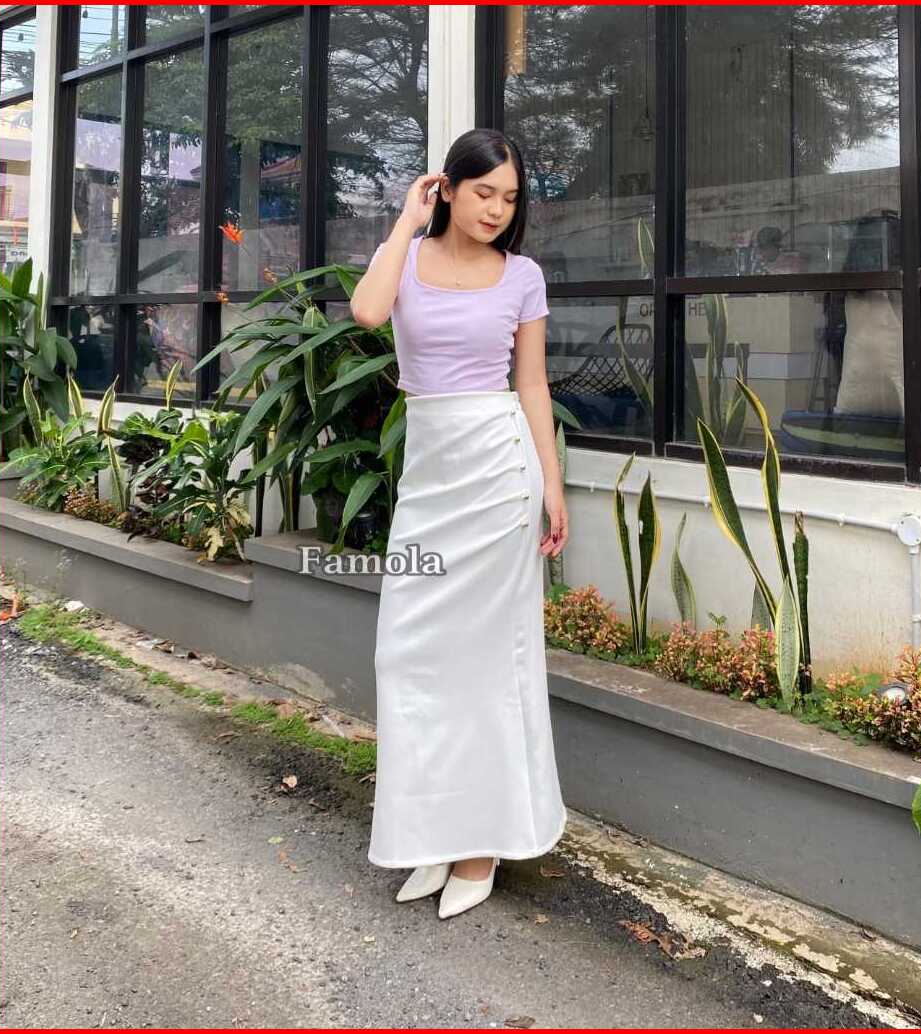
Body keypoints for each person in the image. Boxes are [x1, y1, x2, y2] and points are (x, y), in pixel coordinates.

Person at [349, 129, 569, 920]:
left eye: (509, 198)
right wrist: (405, 222)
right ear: (448, 187)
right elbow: (368, 312)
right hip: (432, 475)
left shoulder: (523, 276)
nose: (497, 210)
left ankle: (480, 847)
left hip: (499, 475)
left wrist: (552, 487)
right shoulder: (405, 258)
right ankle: (432, 835)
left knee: (485, 664)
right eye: (483, 192)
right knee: (407, 656)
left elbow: (532, 384)